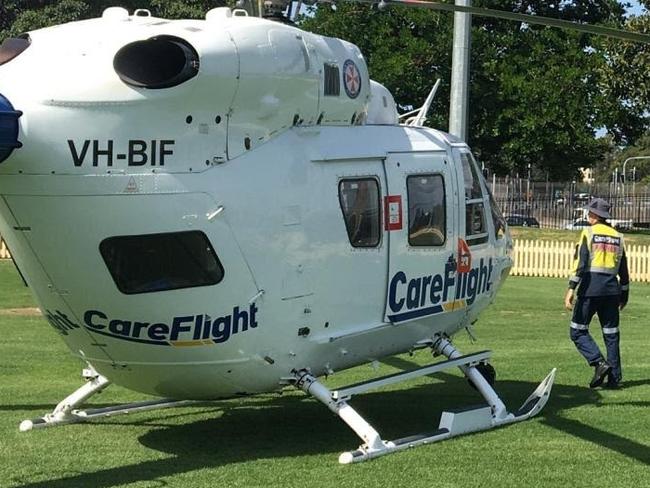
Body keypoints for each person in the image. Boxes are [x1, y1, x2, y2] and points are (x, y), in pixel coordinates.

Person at [564, 198, 629, 389]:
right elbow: (623, 270)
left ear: (595, 215)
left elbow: (581, 264)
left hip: (590, 289)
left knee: (577, 331)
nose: (588, 215)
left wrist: (570, 289)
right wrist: (624, 294)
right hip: (612, 292)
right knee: (611, 334)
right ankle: (614, 379)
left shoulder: (588, 233)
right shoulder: (618, 236)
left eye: (590, 212)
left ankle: (599, 363)